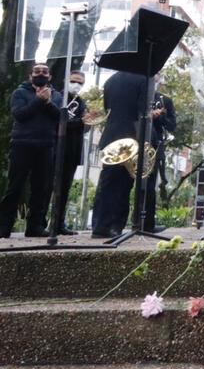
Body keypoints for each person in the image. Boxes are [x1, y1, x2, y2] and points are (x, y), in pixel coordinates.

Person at [1, 63, 62, 238]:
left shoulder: (56, 95)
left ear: (49, 76)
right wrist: (38, 100)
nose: (41, 74)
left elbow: (59, 117)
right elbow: (19, 114)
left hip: (45, 146)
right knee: (15, 187)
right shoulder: (20, 93)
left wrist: (48, 102)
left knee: (41, 189)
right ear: (30, 75)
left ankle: (35, 226)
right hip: (22, 144)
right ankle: (4, 226)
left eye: (44, 72)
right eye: (37, 71)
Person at [91, 70, 149, 238]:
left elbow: (107, 108)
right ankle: (115, 226)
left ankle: (100, 225)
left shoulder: (110, 80)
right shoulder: (144, 77)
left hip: (111, 136)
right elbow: (143, 112)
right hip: (129, 138)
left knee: (107, 182)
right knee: (123, 184)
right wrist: (142, 140)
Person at [49, 70, 88, 236]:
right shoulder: (58, 97)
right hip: (56, 148)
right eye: (74, 81)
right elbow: (59, 122)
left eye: (80, 83)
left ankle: (59, 223)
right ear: (66, 80)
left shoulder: (81, 102)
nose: (77, 85)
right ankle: (44, 223)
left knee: (65, 189)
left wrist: (87, 122)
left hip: (73, 150)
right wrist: (81, 122)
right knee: (49, 187)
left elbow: (83, 127)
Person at [138, 78, 177, 233]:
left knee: (150, 184)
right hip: (134, 141)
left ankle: (148, 224)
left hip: (154, 145)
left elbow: (172, 125)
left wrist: (159, 116)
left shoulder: (164, 100)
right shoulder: (138, 96)